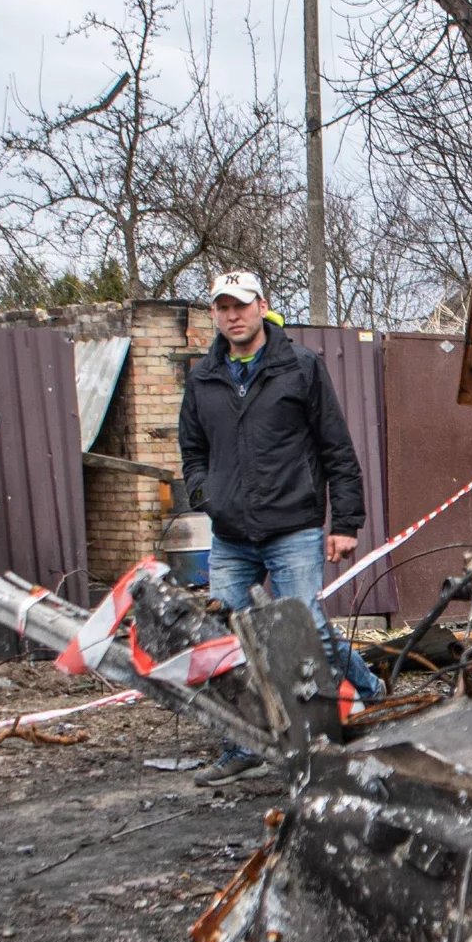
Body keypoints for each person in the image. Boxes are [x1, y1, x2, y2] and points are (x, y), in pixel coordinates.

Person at [177, 269, 381, 785]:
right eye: (222, 307)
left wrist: (347, 522)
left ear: (262, 306)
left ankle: (361, 697)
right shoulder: (203, 378)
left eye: (241, 305)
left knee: (307, 630)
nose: (233, 315)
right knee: (228, 643)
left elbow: (337, 448)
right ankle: (241, 744)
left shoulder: (299, 367)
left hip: (294, 527)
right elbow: (193, 453)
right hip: (231, 537)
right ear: (214, 314)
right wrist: (208, 496)